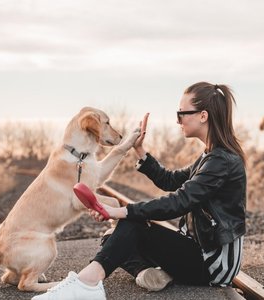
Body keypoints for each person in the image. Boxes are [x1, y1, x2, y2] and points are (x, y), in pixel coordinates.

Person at [32, 82, 247, 300]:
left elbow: (180, 201)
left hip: (213, 263)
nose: (177, 120)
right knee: (112, 238)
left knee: (130, 225)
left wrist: (122, 211)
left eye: (181, 113)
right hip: (197, 251)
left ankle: (86, 284)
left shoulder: (222, 161)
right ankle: (147, 274)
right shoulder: (210, 157)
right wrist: (139, 150)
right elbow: (170, 180)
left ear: (203, 116)